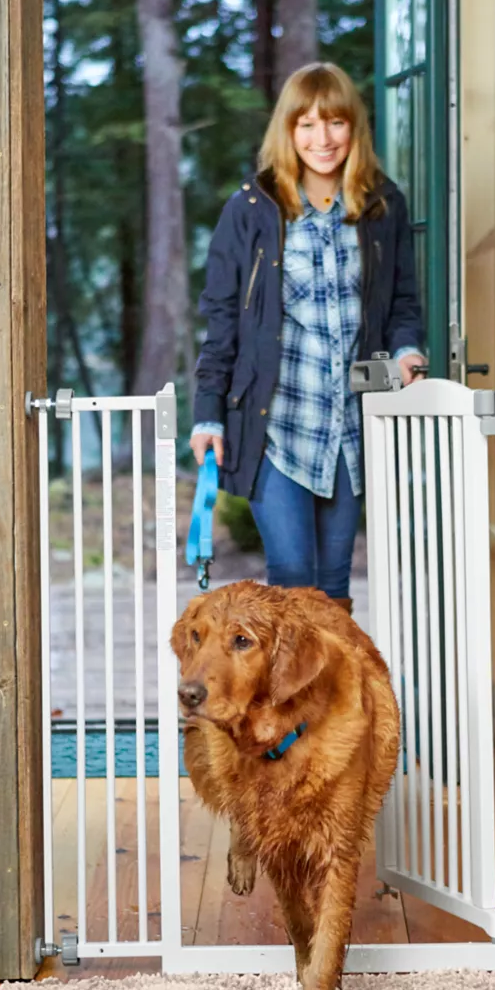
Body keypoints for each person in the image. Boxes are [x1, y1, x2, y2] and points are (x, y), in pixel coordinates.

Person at [189, 61, 427, 613]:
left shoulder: (381, 204)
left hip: (348, 427)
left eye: (336, 123)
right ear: (287, 131)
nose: (323, 139)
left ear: (354, 128)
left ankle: (333, 702)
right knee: (293, 580)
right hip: (278, 427)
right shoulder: (251, 208)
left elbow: (402, 302)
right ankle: (290, 704)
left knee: (335, 584)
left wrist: (409, 348)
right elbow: (222, 317)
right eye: (308, 125)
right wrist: (207, 414)